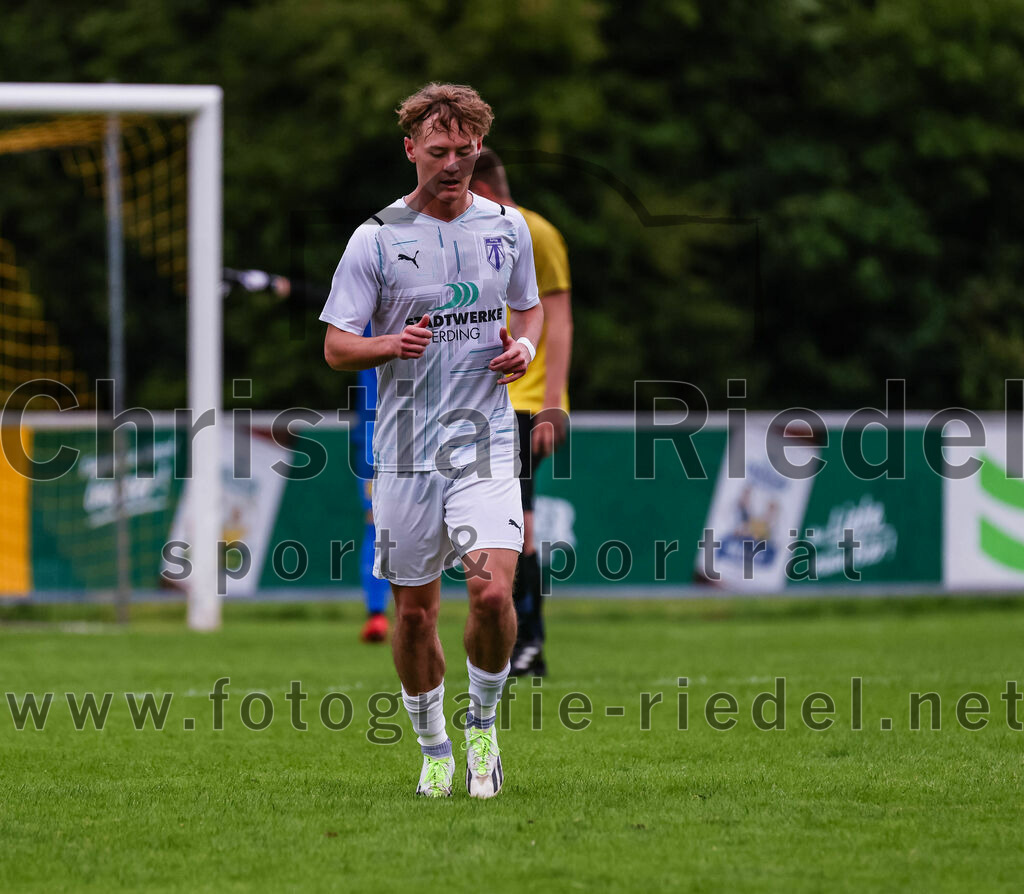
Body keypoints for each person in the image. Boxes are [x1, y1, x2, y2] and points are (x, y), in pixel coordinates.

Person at [320, 83, 543, 799]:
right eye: (438, 150)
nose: (452, 163)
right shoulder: (376, 238)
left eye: (465, 149)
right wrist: (389, 343)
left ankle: (482, 730)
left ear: (481, 147)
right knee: (414, 616)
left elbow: (529, 312)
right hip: (407, 449)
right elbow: (335, 347)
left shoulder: (508, 227)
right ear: (410, 148)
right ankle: (433, 746)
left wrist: (527, 352)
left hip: (484, 441)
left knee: (490, 593)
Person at [223, 269, 390, 642]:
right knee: (380, 525)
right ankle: (378, 613)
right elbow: (317, 297)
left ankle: (406, 611)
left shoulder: (428, 315)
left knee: (404, 528)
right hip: (378, 436)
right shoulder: (368, 316)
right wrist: (267, 283)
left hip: (425, 434)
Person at [470, 150, 572, 678]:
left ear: (481, 186)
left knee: (520, 527)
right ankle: (523, 645)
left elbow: (559, 319)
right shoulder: (466, 232)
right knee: (505, 528)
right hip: (480, 405)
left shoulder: (534, 232)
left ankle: (528, 643)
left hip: (526, 404)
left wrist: (554, 403)